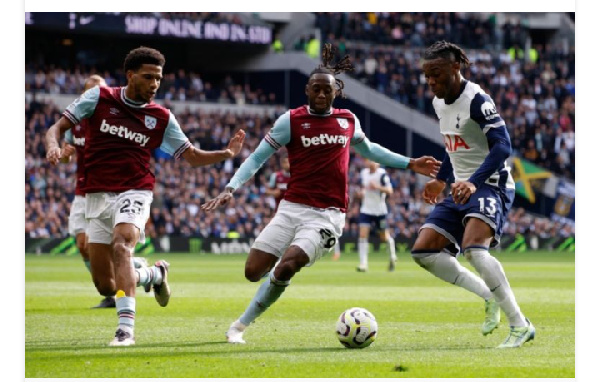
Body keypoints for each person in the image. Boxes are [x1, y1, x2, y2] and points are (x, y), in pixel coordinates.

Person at [201, 44, 440, 344]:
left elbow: (371, 150)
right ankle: (272, 284)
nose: (322, 94)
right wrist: (230, 188)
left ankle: (240, 325)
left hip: (328, 214)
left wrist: (409, 163)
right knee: (253, 271)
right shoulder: (290, 121)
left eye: (327, 90)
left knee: (288, 264)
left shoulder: (348, 121)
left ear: (335, 91)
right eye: (316, 89)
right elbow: (257, 157)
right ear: (307, 90)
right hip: (290, 209)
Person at [45, 46, 246, 346]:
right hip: (96, 195)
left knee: (122, 245)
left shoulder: (161, 117)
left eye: (159, 79)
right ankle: (154, 274)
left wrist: (226, 153)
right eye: (148, 77)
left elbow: (191, 156)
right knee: (105, 285)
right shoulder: (99, 98)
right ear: (130, 75)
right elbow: (57, 128)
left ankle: (125, 330)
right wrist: (53, 146)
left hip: (135, 189)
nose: (154, 84)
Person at [413, 41, 534, 348]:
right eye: (427, 76)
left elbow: (503, 146)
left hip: (490, 184)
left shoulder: (477, 100)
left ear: (456, 67)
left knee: (474, 249)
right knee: (424, 251)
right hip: (461, 187)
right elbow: (455, 144)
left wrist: (474, 182)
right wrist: (442, 180)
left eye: (436, 74)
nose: (431, 82)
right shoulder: (439, 103)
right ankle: (488, 295)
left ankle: (520, 325)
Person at [59, 74, 149, 309]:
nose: (95, 95)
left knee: (109, 247)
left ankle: (128, 278)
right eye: (90, 91)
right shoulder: (76, 124)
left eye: (99, 90)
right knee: (82, 246)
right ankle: (135, 269)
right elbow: (66, 153)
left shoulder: (113, 120)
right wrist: (64, 155)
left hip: (111, 191)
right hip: (84, 192)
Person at [355, 159, 397, 272]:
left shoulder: (382, 175)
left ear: (378, 163)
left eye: (373, 161)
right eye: (368, 161)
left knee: (384, 236)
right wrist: (361, 193)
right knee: (363, 235)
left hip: (379, 211)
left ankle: (392, 257)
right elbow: (363, 188)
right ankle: (363, 264)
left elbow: (390, 190)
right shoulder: (363, 173)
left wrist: (377, 187)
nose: (370, 163)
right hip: (366, 209)